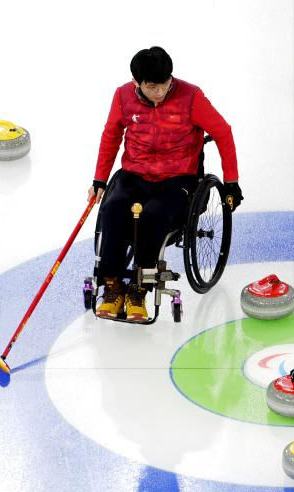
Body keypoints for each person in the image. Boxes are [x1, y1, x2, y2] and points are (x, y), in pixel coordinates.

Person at [89, 46, 242, 321]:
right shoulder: (123, 96)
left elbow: (223, 132)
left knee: (154, 215)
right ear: (137, 83)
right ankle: (112, 286)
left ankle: (139, 289)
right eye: (152, 87)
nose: (160, 92)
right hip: (134, 174)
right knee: (113, 208)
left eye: (165, 84)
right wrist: (100, 179)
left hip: (177, 179)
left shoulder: (191, 97)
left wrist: (231, 182)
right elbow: (111, 135)